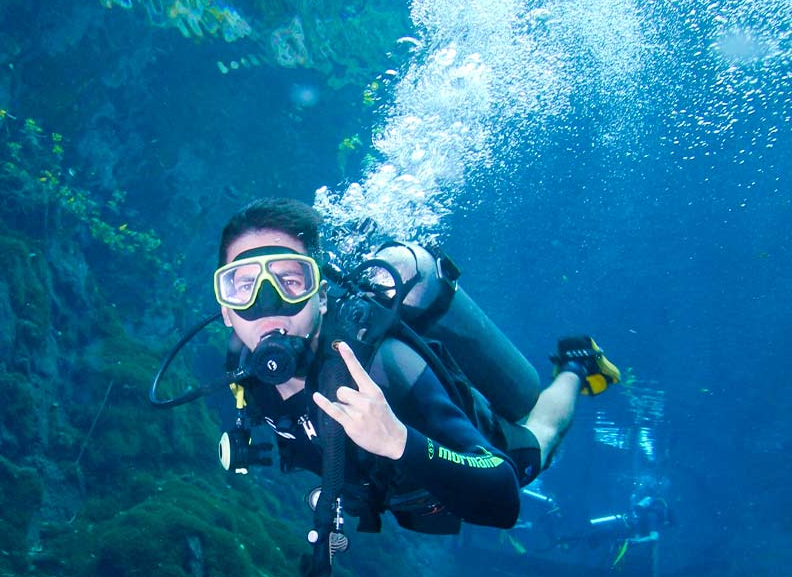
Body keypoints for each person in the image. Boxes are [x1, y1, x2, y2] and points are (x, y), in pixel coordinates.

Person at [213, 198, 621, 544]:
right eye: (242, 286)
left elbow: (504, 496)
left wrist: (397, 440)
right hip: (390, 491)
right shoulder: (243, 367)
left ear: (320, 297)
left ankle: (576, 365)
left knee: (541, 439)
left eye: (289, 280)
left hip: (484, 447)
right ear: (226, 312)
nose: (266, 303)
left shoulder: (382, 364)